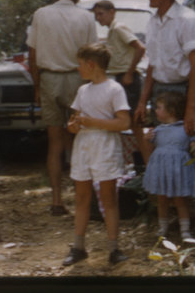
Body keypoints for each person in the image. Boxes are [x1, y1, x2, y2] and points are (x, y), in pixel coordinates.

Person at [26, 0, 97, 215]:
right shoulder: (86, 18)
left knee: (55, 142)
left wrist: (37, 86)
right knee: (80, 139)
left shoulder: (41, 14)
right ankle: (82, 198)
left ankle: (57, 200)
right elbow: (93, 56)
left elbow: (32, 55)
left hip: (49, 79)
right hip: (78, 80)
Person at [62, 43, 131, 266]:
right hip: (83, 146)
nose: (78, 68)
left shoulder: (114, 89)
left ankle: (114, 248)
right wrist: (73, 126)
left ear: (91, 65)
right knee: (82, 198)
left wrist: (93, 122)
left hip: (105, 146)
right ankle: (79, 247)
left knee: (108, 198)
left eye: (81, 64)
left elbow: (124, 122)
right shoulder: (83, 90)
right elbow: (74, 120)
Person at [134, 0, 195, 136]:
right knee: (163, 143)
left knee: (184, 143)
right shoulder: (153, 22)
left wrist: (191, 109)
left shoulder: (187, 20)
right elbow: (152, 64)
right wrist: (142, 102)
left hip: (183, 92)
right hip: (160, 91)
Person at [137, 90, 195, 242]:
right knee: (162, 200)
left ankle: (185, 231)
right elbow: (148, 151)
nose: (156, 110)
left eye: (159, 107)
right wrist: (146, 139)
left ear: (171, 111)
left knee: (180, 201)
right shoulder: (157, 130)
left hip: (178, 171)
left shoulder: (185, 129)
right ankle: (162, 229)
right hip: (162, 170)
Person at [91, 0, 147, 162]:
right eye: (96, 15)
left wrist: (129, 73)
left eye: (101, 14)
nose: (98, 18)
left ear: (112, 12)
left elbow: (140, 47)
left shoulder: (119, 27)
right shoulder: (111, 31)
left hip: (127, 79)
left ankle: (147, 163)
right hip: (118, 77)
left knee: (134, 124)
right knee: (126, 123)